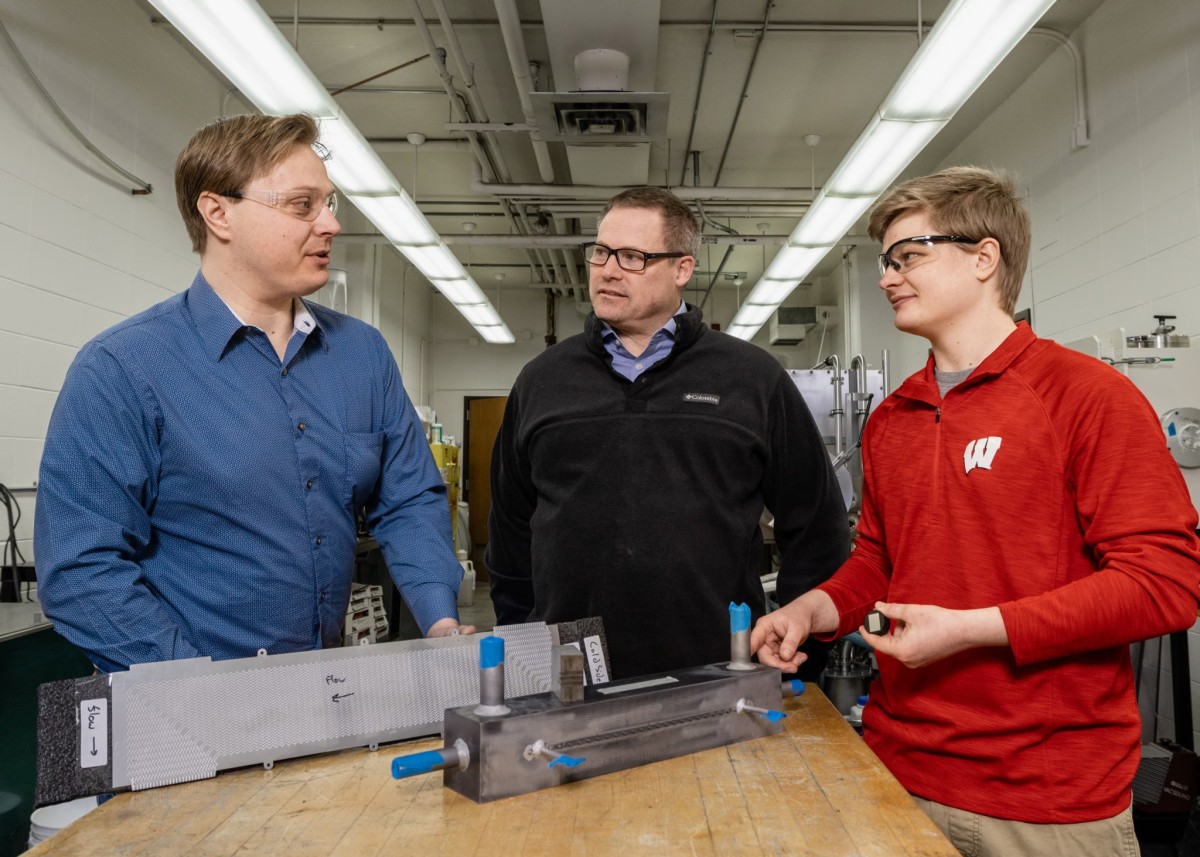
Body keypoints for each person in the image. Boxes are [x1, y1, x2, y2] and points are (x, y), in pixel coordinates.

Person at [751, 166, 1200, 856]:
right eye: (886, 260)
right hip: (901, 772)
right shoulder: (894, 417)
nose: (887, 276)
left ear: (984, 256)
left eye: (910, 255)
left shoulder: (1086, 397)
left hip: (1046, 801)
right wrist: (811, 610)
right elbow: (877, 561)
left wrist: (973, 629)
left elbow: (1164, 585)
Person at [34, 113, 471, 673]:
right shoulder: (122, 369)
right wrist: (202, 688)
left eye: (329, 203)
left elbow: (408, 498)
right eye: (301, 205)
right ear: (218, 213)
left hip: (319, 692)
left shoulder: (362, 356)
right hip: (178, 715)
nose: (331, 225)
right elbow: (80, 570)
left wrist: (438, 615)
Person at [486, 186, 849, 680]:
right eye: (601, 252)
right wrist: (523, 640)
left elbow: (816, 525)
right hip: (570, 675)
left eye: (633, 256)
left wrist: (796, 648)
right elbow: (510, 530)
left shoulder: (750, 378)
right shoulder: (542, 381)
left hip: (718, 670)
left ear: (682, 269)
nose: (608, 269)